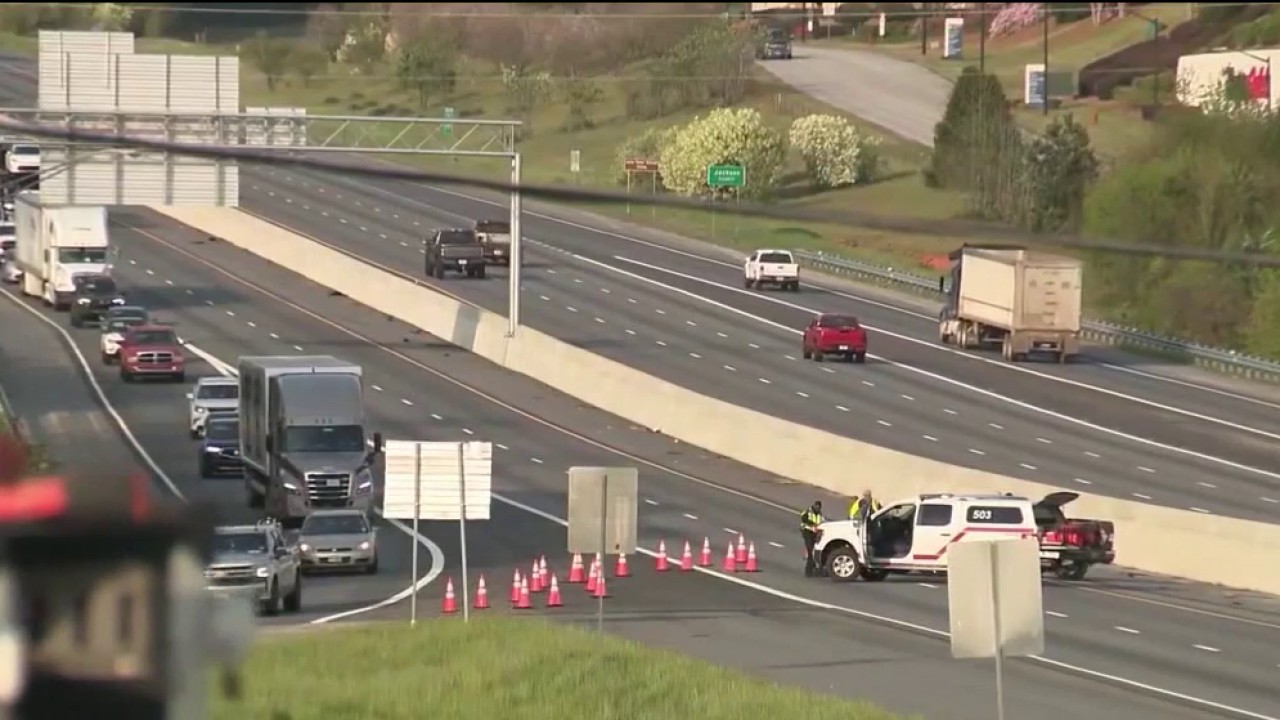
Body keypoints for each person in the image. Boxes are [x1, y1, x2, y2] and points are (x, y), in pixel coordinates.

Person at [799, 501, 825, 577]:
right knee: (810, 550)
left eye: (819, 507)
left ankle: (813, 567)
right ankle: (808, 571)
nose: (817, 508)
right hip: (807, 531)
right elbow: (804, 519)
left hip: (815, 534)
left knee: (813, 551)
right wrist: (813, 524)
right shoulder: (808, 511)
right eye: (816, 506)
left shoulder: (820, 514)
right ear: (814, 505)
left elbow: (823, 522)